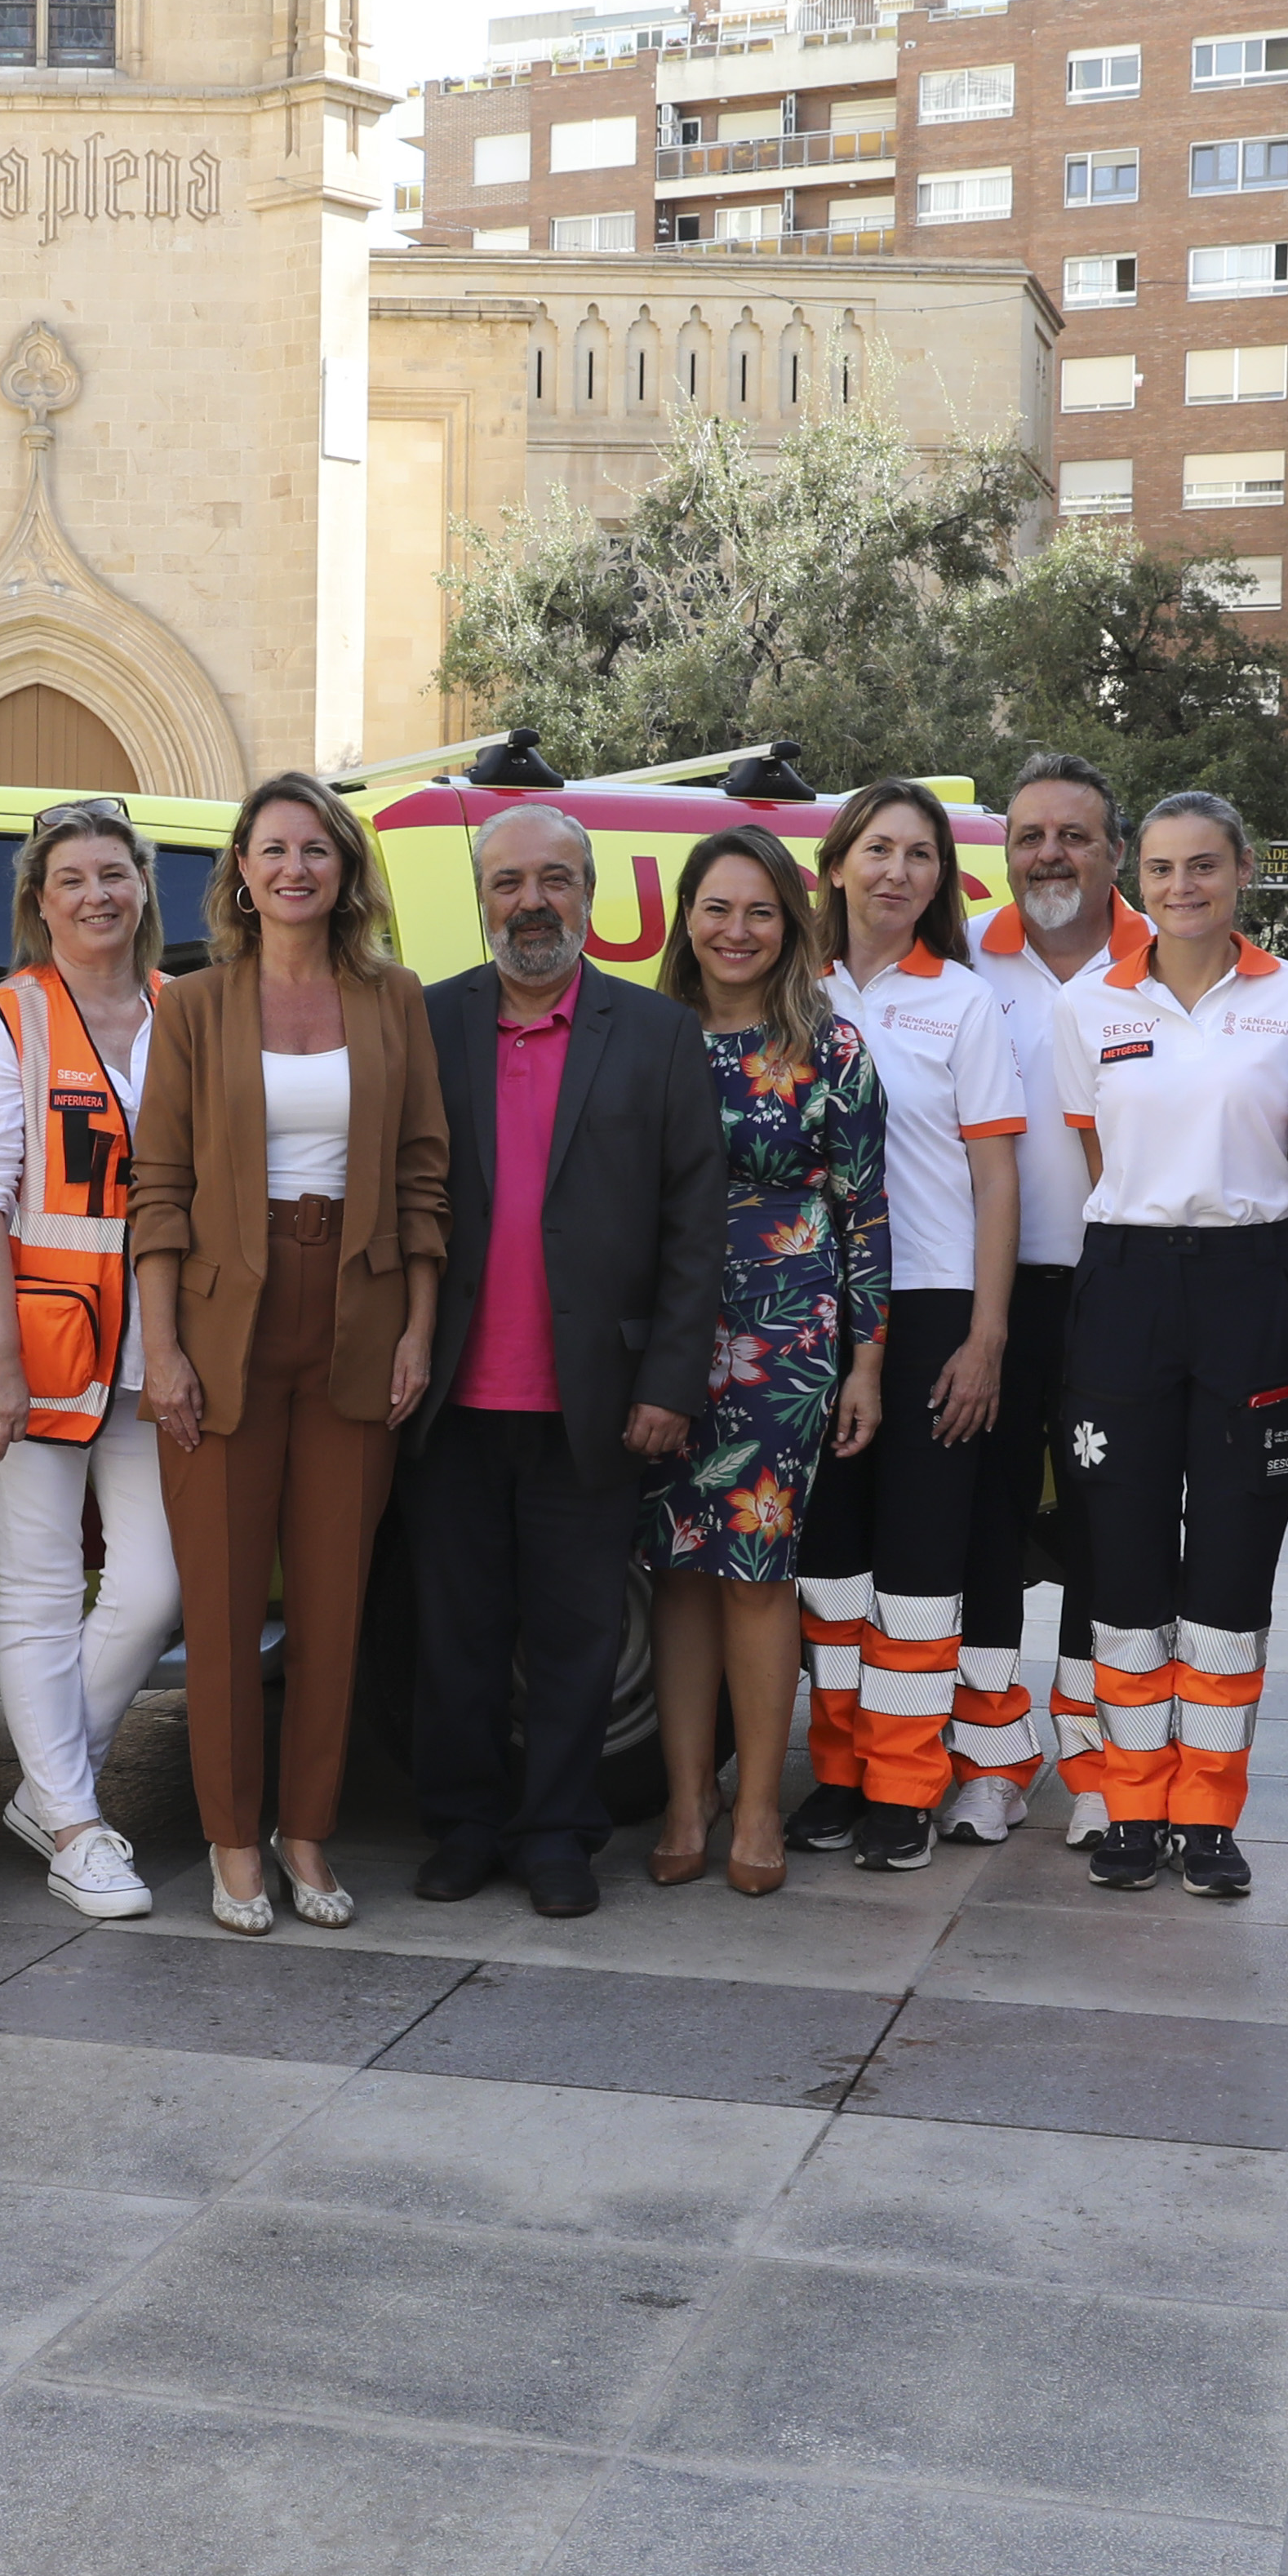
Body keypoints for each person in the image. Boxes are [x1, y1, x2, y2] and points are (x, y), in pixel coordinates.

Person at [130, 772, 446, 1932]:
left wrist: (417, 1326)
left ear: (343, 870)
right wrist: (161, 1350)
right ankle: (230, 1844)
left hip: (356, 1321)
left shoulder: (393, 998)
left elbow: (422, 1177)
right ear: (242, 875)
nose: (294, 868)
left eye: (315, 849)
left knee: (332, 1603)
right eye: (272, 850)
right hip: (224, 1325)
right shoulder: (196, 1007)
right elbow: (155, 1191)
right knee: (215, 1607)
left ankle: (304, 1834)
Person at [406, 805, 722, 1920]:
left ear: (587, 898)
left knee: (579, 1633)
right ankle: (462, 1824)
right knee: (453, 1633)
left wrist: (667, 1384)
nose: (528, 902)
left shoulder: (655, 1034)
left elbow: (694, 1227)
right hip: (447, 1397)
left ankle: (555, 1833)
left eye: (551, 880)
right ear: (478, 897)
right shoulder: (427, 1024)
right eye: (505, 882)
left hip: (594, 1401)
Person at [1047, 791, 1288, 1898]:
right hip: (1121, 1277)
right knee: (1116, 1550)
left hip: (1249, 1279)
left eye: (1201, 865)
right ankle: (1128, 1807)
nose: (1179, 887)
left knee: (1228, 1552)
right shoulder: (1086, 1004)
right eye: (1159, 869)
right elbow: (1089, 1148)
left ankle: (1206, 1813)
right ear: (1137, 878)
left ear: (1241, 869)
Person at [0, 797, 177, 1922]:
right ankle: (75, 1826)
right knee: (37, 1588)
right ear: (40, 902)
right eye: (71, 877)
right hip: (32, 1350)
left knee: (152, 1584)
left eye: (113, 873)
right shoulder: (2, 1022)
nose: (96, 893)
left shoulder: (186, 1013)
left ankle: (46, 1781)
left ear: (141, 888)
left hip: (153, 1349)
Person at [647, 826, 888, 1897]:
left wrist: (866, 1362)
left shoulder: (828, 1047)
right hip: (657, 1332)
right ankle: (681, 1795)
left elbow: (866, 1214)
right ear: (685, 921)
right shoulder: (645, 1038)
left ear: (787, 924)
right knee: (674, 1573)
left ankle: (752, 1805)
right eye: (715, 908)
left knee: (753, 1572)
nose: (734, 930)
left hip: (783, 1337)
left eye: (757, 911)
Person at [794, 779, 1021, 1873]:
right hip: (809, 1304)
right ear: (835, 863)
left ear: (940, 881)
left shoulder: (961, 1002)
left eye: (918, 856)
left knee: (920, 1564)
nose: (895, 871)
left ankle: (901, 1783)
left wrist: (986, 1335)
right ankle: (834, 1774)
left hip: (932, 1303)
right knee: (829, 1564)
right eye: (876, 849)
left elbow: (994, 1175)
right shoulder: (795, 988)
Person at [964, 753, 1147, 1841]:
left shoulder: (1165, 960)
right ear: (1003, 852)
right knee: (981, 1528)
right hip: (985, 1293)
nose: (1048, 854)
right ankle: (989, 1756)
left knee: (1103, 1532)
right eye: (1029, 834)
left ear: (1112, 852)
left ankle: (1093, 1767)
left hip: (1119, 1291)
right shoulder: (960, 963)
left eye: (1073, 835)